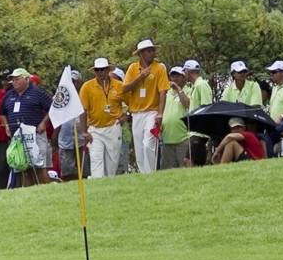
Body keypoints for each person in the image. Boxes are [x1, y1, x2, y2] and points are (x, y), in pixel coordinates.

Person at [119, 42, 169, 175]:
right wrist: (140, 77)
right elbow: (124, 88)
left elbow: (163, 91)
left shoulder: (159, 68)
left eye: (152, 50)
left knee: (148, 143)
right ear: (140, 54)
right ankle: (143, 175)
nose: (151, 53)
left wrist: (160, 113)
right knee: (139, 148)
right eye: (147, 51)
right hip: (136, 113)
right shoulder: (133, 68)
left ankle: (151, 173)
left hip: (152, 112)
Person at [0, 69, 54, 186]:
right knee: (22, 167)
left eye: (17, 79)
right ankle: (29, 192)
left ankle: (47, 190)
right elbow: (2, 112)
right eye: (13, 80)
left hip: (36, 135)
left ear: (26, 79)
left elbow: (53, 107)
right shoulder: (9, 95)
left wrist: (44, 122)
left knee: (40, 166)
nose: (14, 82)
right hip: (18, 138)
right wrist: (6, 126)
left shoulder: (37, 92)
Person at [78, 59, 126, 178]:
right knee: (96, 162)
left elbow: (131, 102)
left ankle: (109, 189)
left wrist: (126, 116)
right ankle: (97, 187)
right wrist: (84, 131)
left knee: (112, 165)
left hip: (113, 127)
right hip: (95, 129)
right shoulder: (87, 86)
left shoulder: (119, 85)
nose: (100, 72)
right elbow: (83, 110)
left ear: (108, 70)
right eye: (97, 70)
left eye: (103, 69)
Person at [160, 67, 195, 170]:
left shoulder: (189, 90)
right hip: (167, 138)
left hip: (183, 138)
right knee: (169, 172)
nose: (175, 78)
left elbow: (187, 104)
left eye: (178, 75)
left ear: (184, 77)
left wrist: (179, 90)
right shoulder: (166, 93)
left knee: (185, 169)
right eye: (172, 75)